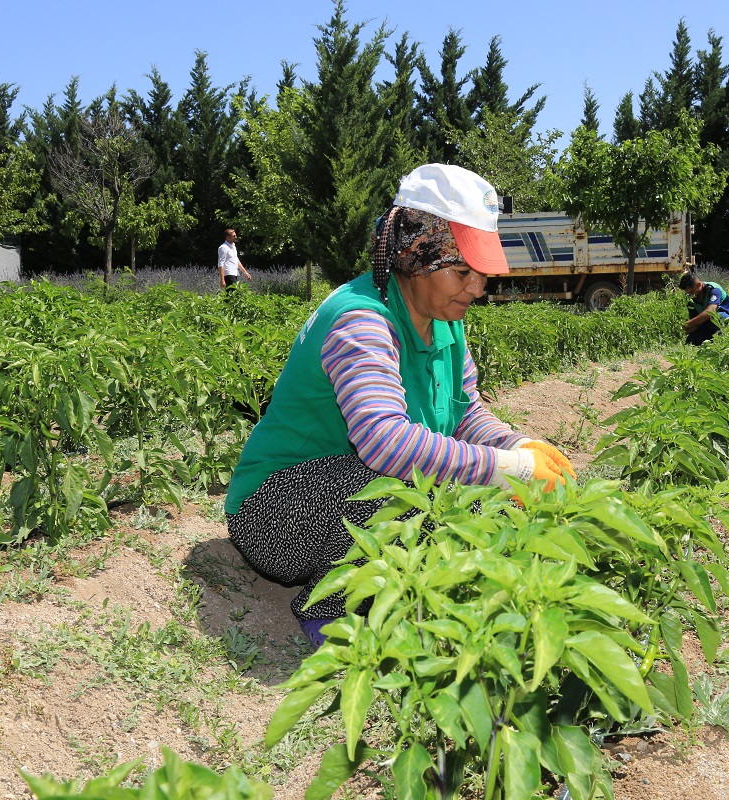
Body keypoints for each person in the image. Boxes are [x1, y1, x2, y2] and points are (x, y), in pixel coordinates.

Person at [224, 163, 576, 646]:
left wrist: (521, 444)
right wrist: (507, 467)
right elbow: (385, 442)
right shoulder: (362, 321)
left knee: (470, 496)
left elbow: (465, 411)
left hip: (341, 496)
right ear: (416, 257)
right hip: (275, 513)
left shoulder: (446, 320)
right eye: (461, 271)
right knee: (406, 489)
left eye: (481, 275)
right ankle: (333, 609)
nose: (476, 288)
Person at [680, 272, 729, 346]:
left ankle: (723, 343)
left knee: (718, 317)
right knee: (691, 341)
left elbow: (710, 312)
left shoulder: (714, 289)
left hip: (728, 321)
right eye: (688, 293)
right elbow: (696, 322)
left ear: (699, 285)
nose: (690, 295)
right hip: (708, 323)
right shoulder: (691, 299)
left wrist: (687, 324)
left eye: (692, 292)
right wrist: (683, 330)